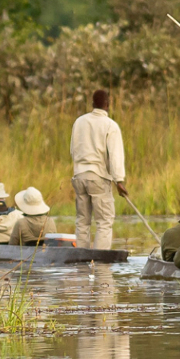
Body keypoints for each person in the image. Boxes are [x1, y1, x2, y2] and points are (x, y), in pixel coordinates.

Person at [68, 88, 126, 251]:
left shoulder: (79, 122)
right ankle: (100, 263)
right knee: (104, 221)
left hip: (79, 176)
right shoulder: (110, 125)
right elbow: (115, 155)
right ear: (107, 105)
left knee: (82, 221)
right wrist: (119, 180)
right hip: (98, 177)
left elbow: (73, 150)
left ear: (92, 104)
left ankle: (81, 260)